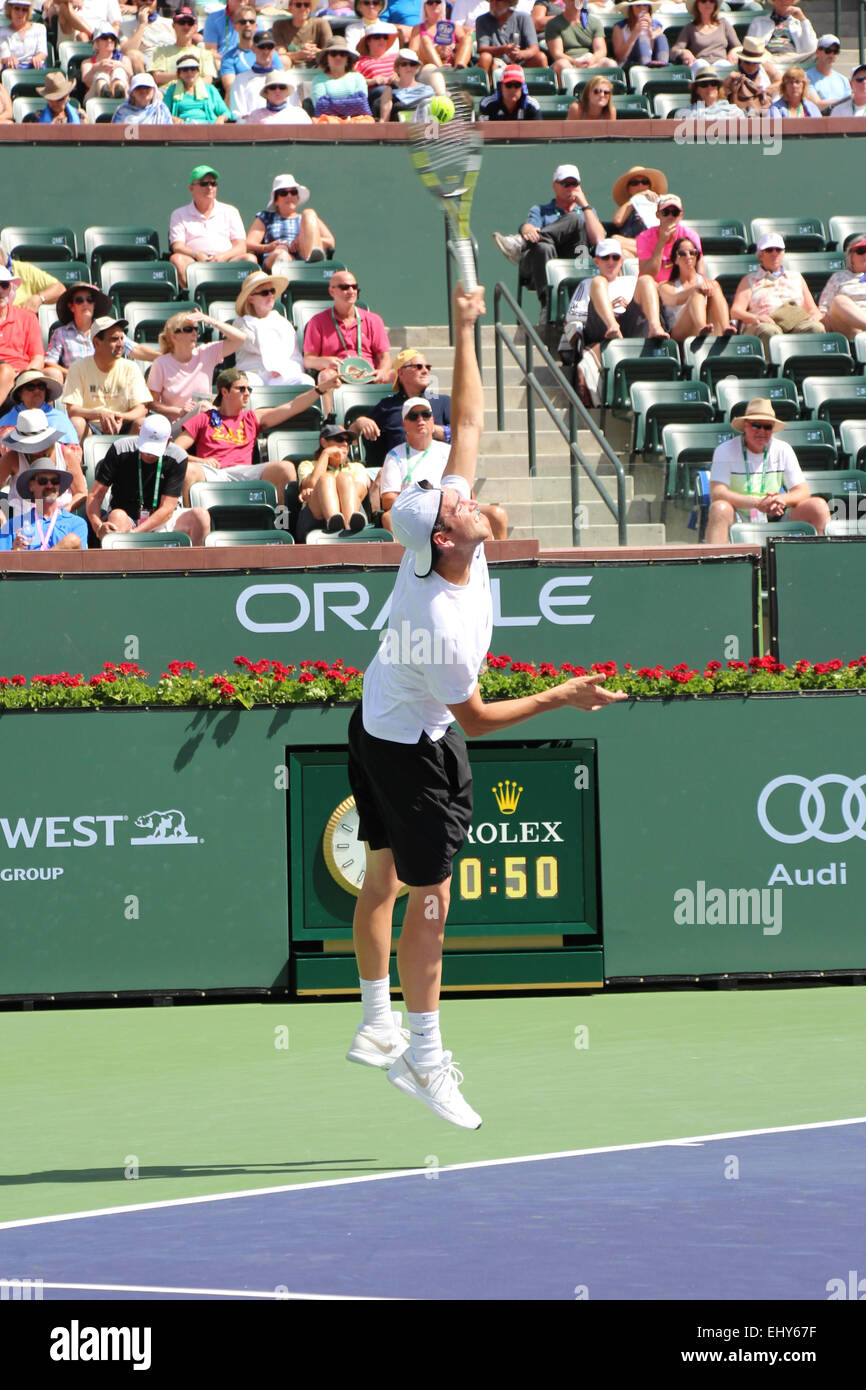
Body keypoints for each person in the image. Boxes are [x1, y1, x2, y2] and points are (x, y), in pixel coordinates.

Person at [345, 282, 626, 1131]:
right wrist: (563, 697)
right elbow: (476, 721)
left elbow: (465, 423)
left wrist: (465, 327)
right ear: (444, 534)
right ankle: (425, 1060)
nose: (474, 498)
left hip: (372, 722)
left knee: (386, 878)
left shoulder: (441, 544)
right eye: (463, 504)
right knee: (430, 902)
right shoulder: (441, 624)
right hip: (416, 748)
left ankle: (375, 1021)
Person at [175, 365, 339, 502]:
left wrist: (320, 389)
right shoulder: (204, 419)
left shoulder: (252, 418)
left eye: (249, 389)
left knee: (285, 468)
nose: (247, 393)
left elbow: (292, 407)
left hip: (245, 472)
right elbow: (175, 451)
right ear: (224, 392)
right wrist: (202, 461)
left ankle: (283, 524)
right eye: (241, 389)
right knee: (190, 470)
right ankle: (194, 521)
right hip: (213, 473)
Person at [378, 392, 508, 537]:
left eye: (425, 414)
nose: (420, 420)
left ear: (432, 420)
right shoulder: (395, 456)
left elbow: (467, 490)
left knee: (497, 514)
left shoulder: (448, 451)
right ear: (404, 423)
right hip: (416, 512)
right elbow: (388, 500)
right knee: (388, 518)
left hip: (454, 510)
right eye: (413, 416)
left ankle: (493, 560)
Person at [706, 397, 829, 544]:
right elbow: (717, 493)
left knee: (818, 506)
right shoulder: (724, 450)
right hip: (739, 514)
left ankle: (822, 562)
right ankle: (717, 564)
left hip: (776, 516)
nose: (762, 431)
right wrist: (756, 503)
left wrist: (781, 499)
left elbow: (803, 492)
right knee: (719, 508)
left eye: (767, 427)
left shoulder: (783, 449)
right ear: (745, 425)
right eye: (756, 425)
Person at [491, 164, 605, 320]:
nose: (571, 188)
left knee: (574, 219)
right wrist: (525, 229)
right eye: (566, 184)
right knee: (543, 247)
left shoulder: (587, 211)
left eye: (575, 184)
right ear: (555, 186)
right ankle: (548, 306)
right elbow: (530, 228)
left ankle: (520, 246)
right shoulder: (540, 210)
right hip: (542, 266)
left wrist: (585, 205)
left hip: (578, 262)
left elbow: (599, 240)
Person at [86, 414, 210, 545]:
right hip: (127, 518)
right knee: (117, 517)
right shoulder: (120, 448)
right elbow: (95, 495)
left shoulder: (178, 456)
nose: (148, 454)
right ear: (139, 433)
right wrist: (98, 527)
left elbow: (167, 509)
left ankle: (195, 565)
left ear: (168, 441)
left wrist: (136, 534)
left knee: (201, 516)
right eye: (146, 448)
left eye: (154, 450)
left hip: (162, 520)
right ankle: (121, 564)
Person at [560, 237, 668, 361]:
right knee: (599, 281)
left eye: (615, 257)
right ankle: (613, 327)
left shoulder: (632, 281)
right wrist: (607, 308)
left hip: (630, 325)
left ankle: (655, 327)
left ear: (621, 261)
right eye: (605, 257)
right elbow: (572, 318)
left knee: (646, 280)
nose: (611, 262)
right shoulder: (587, 284)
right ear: (597, 261)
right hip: (600, 328)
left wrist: (633, 306)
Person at [349, 346, 450, 469]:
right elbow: (351, 433)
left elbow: (462, 435)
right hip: (400, 470)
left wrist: (429, 428)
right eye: (418, 367)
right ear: (401, 372)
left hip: (438, 468)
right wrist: (360, 421)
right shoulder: (387, 406)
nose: (425, 371)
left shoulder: (442, 402)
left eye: (427, 367)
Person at [146, 308, 246, 426]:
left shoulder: (206, 352)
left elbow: (240, 339)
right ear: (174, 337)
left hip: (205, 421)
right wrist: (180, 411)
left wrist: (211, 321)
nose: (194, 333)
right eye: (188, 329)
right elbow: (151, 403)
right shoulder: (160, 363)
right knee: (204, 408)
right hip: (177, 425)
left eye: (196, 329)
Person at [44, 280, 156, 385]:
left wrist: (163, 357)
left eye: (89, 300)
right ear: (71, 307)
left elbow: (134, 349)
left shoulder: (107, 329)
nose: (85, 303)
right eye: (79, 300)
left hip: (107, 382)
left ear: (94, 305)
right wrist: (72, 373)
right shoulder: (60, 333)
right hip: (76, 385)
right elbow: (49, 362)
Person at [61, 316, 152, 442]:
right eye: (114, 339)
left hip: (124, 425)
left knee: (143, 423)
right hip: (91, 426)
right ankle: (79, 460)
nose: (121, 344)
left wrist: (120, 417)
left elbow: (141, 409)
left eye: (122, 338)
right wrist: (99, 414)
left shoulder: (131, 367)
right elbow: (72, 410)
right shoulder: (78, 368)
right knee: (77, 423)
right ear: (96, 343)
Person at [168, 164, 256, 293]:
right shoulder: (179, 214)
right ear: (191, 188)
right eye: (204, 184)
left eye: (213, 183)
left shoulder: (230, 211)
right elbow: (177, 246)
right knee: (177, 259)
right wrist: (197, 255)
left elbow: (241, 246)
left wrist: (222, 257)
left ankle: (240, 300)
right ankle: (194, 296)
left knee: (250, 260)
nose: (209, 187)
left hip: (227, 262)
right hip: (195, 263)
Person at [729, 233, 823, 352]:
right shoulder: (749, 280)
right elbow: (735, 312)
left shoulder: (796, 277)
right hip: (765, 323)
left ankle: (808, 368)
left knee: (815, 328)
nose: (774, 253)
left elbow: (812, 309)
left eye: (778, 250)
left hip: (796, 322)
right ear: (760, 255)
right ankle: (772, 369)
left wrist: (814, 317)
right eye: (769, 250)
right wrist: (756, 317)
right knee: (769, 331)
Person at [303, 269, 392, 383]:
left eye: (354, 287)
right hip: (338, 374)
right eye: (345, 287)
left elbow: (385, 357)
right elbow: (308, 360)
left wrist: (382, 371)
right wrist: (324, 361)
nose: (351, 291)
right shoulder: (317, 321)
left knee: (396, 376)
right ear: (332, 291)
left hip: (368, 374)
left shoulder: (374, 320)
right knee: (326, 376)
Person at [232, 270, 315, 387]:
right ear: (251, 298)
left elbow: (295, 356)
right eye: (264, 292)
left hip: (280, 375)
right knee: (245, 384)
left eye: (272, 291)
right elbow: (252, 343)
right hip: (253, 374)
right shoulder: (240, 323)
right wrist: (274, 365)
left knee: (306, 382)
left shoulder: (283, 322)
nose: (271, 296)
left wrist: (282, 369)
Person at [0, 403, 86, 510]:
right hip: (21, 520)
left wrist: (61, 514)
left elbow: (81, 493)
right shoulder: (13, 457)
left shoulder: (66, 454)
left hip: (60, 519)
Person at [247, 174, 334, 273]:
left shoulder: (306, 219)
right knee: (281, 254)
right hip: (275, 260)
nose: (289, 196)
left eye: (293, 192)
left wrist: (303, 240)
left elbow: (330, 241)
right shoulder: (266, 217)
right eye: (283, 193)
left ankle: (311, 263)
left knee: (309, 212)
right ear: (276, 200)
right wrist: (268, 247)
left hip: (302, 259)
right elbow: (249, 244)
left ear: (297, 197)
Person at [296, 423, 371, 537]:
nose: (345, 444)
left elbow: (360, 492)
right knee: (326, 478)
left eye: (348, 441)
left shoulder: (357, 467)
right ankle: (334, 522)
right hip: (315, 518)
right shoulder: (307, 465)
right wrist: (325, 454)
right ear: (324, 442)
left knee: (345, 478)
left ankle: (349, 525)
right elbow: (312, 483)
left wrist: (338, 489)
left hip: (353, 513)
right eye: (339, 439)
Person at [0, 457, 88, 552]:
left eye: (55, 481)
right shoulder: (13, 525)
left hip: (62, 566)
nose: (50, 485)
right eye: (43, 481)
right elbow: (3, 563)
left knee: (72, 541)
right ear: (31, 486)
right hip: (24, 567)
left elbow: (78, 564)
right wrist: (14, 551)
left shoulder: (76, 523)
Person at [658, 236, 732, 341]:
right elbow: (674, 299)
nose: (688, 256)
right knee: (697, 292)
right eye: (682, 254)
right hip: (679, 332)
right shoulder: (666, 286)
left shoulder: (707, 282)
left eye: (693, 252)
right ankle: (702, 327)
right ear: (675, 260)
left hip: (712, 326)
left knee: (714, 285)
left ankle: (726, 327)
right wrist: (694, 289)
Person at [636, 193, 704, 283]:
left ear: (681, 215)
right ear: (658, 215)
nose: (670, 216)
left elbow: (699, 268)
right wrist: (661, 241)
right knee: (646, 281)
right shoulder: (644, 237)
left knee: (712, 285)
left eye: (675, 212)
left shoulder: (691, 236)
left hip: (681, 287)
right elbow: (647, 274)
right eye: (666, 212)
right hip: (653, 288)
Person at [0, 265, 43, 405]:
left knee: (51, 378)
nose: (0, 290)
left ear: (10, 289)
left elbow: (37, 358)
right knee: (5, 371)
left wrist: (23, 376)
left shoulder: (28, 318)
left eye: (4, 285)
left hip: (22, 377)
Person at [230, 29, 296, 118]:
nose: (266, 51)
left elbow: (294, 110)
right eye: (262, 47)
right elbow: (238, 115)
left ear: (274, 49)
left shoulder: (286, 79)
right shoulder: (240, 80)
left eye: (270, 47)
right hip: (252, 128)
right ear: (253, 49)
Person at [146, 7, 219, 86]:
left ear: (195, 28)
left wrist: (187, 84)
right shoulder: (160, 51)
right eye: (182, 22)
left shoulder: (205, 54)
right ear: (173, 25)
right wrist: (183, 75)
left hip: (195, 94)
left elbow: (208, 80)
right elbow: (157, 77)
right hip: (167, 94)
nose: (186, 26)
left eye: (190, 23)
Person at [219, 5, 280, 101]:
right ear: (235, 26)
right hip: (244, 100)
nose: (247, 25)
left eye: (251, 21)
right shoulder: (228, 58)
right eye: (243, 22)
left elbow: (280, 80)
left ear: (256, 26)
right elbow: (231, 88)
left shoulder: (271, 53)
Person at [607, 164, 667, 258]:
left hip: (655, 244)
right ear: (629, 189)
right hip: (634, 247)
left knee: (615, 240)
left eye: (644, 182)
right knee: (623, 253)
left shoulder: (658, 202)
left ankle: (656, 254)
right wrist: (635, 199)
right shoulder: (628, 205)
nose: (640, 185)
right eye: (635, 183)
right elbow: (618, 221)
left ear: (649, 186)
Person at [545, 0, 616, 78]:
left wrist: (592, 60)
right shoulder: (553, 24)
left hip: (590, 62)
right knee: (562, 64)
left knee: (610, 64)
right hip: (569, 64)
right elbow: (557, 54)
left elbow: (601, 50)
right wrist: (575, 62)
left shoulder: (594, 22)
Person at [310, 35, 374, 121]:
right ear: (326, 58)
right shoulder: (318, 80)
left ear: (347, 58)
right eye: (333, 54)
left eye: (342, 54)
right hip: (329, 123)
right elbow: (321, 106)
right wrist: (351, 104)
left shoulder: (358, 77)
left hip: (356, 121)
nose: (338, 57)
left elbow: (361, 104)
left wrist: (332, 104)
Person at [475, 0, 547, 76]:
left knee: (540, 57)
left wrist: (520, 54)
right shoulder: (482, 20)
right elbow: (482, 48)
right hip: (496, 62)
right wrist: (503, 49)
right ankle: (489, 86)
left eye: (498, 1)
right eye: (491, 1)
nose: (494, 4)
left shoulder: (524, 17)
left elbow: (534, 48)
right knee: (485, 57)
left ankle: (539, 87)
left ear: (509, 2)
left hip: (521, 62)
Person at [818, 234, 866, 339]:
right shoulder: (839, 277)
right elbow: (824, 310)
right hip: (851, 329)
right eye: (861, 251)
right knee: (839, 301)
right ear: (851, 256)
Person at [163, 53, 231, 123]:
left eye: (193, 69)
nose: (189, 72)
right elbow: (163, 112)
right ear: (178, 74)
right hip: (182, 128)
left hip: (207, 128)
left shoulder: (210, 89)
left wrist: (221, 118)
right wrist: (173, 118)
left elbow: (226, 112)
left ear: (198, 72)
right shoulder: (172, 90)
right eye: (185, 70)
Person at [408, 0, 473, 72]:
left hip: (452, 62)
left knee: (468, 38)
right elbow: (412, 52)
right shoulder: (418, 29)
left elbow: (465, 44)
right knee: (425, 39)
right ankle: (440, 69)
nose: (434, 5)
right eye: (430, 2)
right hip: (429, 67)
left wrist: (452, 46)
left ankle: (460, 68)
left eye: (438, 2)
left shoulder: (452, 25)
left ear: (442, 5)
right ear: (424, 7)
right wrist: (435, 49)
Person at [670, 0, 738, 69]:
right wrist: (683, 52)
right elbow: (674, 51)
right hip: (700, 66)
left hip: (721, 64)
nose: (708, 3)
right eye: (703, 0)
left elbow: (738, 47)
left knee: (724, 64)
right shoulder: (690, 27)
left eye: (712, 1)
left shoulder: (724, 24)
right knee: (700, 64)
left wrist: (734, 51)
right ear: (697, 5)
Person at [378, 46, 438, 120]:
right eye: (404, 64)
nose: (408, 67)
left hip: (423, 130)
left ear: (416, 67)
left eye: (412, 64)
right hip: (398, 130)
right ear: (397, 68)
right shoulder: (390, 91)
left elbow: (435, 118)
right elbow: (384, 120)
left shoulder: (427, 90)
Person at [746, 0, 817, 62]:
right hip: (769, 58)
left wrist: (803, 19)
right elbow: (750, 47)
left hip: (793, 58)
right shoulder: (759, 21)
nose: (784, 1)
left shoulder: (799, 23)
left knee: (820, 53)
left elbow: (810, 48)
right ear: (774, 1)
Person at [611, 1, 669, 73]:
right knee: (642, 37)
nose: (642, 8)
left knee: (661, 37)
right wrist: (635, 33)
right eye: (638, 5)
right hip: (630, 63)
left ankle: (663, 66)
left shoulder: (656, 25)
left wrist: (650, 30)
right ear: (631, 8)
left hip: (653, 60)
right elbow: (620, 57)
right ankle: (645, 67)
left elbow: (655, 45)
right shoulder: (620, 27)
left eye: (645, 5)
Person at [272, 0, 333, 68]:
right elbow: (280, 54)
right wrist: (299, 54)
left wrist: (315, 52)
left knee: (328, 59)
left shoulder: (321, 23)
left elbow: (330, 51)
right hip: (291, 66)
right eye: (298, 5)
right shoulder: (279, 25)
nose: (303, 8)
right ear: (290, 7)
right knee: (283, 60)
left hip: (317, 65)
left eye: (306, 5)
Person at [243, 68, 313, 124]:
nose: (277, 90)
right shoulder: (255, 116)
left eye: (282, 87)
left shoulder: (299, 114)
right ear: (266, 91)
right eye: (272, 87)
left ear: (286, 91)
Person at [81, 26, 132, 100]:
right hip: (95, 100)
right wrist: (96, 68)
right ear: (97, 42)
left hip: (124, 99)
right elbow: (86, 81)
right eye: (105, 38)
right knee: (101, 74)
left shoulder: (124, 59)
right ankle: (104, 93)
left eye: (112, 38)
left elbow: (131, 76)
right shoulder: (87, 63)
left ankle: (118, 93)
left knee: (119, 71)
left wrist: (120, 65)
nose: (109, 40)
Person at [478, 61, 542, 120]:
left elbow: (537, 131)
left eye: (517, 85)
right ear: (501, 87)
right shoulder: (487, 104)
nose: (512, 89)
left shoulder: (532, 106)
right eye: (508, 85)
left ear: (522, 88)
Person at [804, 34, 849, 115]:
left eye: (835, 51)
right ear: (817, 52)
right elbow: (816, 105)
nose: (832, 55)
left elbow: (849, 106)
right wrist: (844, 101)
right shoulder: (806, 77)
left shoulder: (843, 79)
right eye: (828, 51)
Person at [675, 65, 742, 118]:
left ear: (718, 87)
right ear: (696, 89)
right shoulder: (685, 114)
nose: (709, 87)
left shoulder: (734, 111)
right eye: (704, 84)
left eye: (713, 83)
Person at [728, 34, 781, 99]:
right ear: (741, 60)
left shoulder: (766, 66)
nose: (751, 66)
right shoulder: (733, 68)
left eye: (755, 63)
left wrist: (765, 91)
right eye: (747, 62)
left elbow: (781, 82)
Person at [0, 2, 47, 69]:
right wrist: (9, 59)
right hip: (13, 69)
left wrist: (38, 57)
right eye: (16, 8)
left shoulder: (40, 28)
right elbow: (5, 56)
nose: (20, 13)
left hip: (36, 68)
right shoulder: (2, 32)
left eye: (24, 9)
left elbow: (42, 52)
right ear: (10, 9)